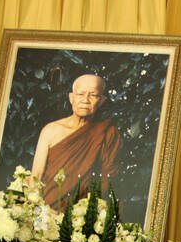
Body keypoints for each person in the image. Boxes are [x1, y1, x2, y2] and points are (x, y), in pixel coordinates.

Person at [32, 73, 120, 209]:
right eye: (80, 94)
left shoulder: (106, 132)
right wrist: (36, 210)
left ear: (101, 100)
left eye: (93, 95)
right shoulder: (51, 130)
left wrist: (88, 209)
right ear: (71, 98)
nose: (85, 100)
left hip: (80, 211)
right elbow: (36, 176)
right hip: (46, 207)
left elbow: (109, 177)